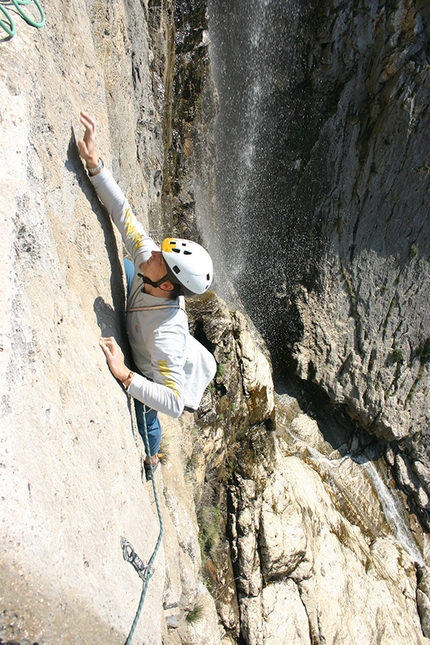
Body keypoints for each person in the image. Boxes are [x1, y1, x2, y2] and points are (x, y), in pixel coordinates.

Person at [77, 112, 216, 480]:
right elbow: (125, 216)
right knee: (126, 264)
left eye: (159, 258)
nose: (151, 253)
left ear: (167, 284)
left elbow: (172, 401)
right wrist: (95, 166)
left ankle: (153, 458)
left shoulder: (167, 337)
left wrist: (126, 375)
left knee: (147, 416)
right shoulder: (152, 265)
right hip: (139, 316)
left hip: (148, 363)